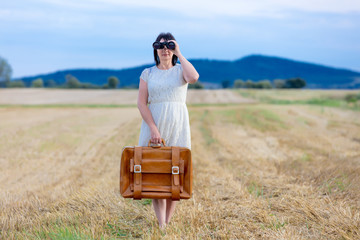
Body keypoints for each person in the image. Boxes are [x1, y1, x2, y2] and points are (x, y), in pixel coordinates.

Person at [137, 32, 199, 229]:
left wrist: (179, 53)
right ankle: (161, 224)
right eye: (160, 45)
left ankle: (167, 222)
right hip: (154, 124)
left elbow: (194, 77)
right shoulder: (148, 73)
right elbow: (141, 103)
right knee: (156, 174)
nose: (165, 49)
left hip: (178, 124)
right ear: (155, 49)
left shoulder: (181, 70)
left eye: (169, 45)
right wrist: (153, 129)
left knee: (175, 174)